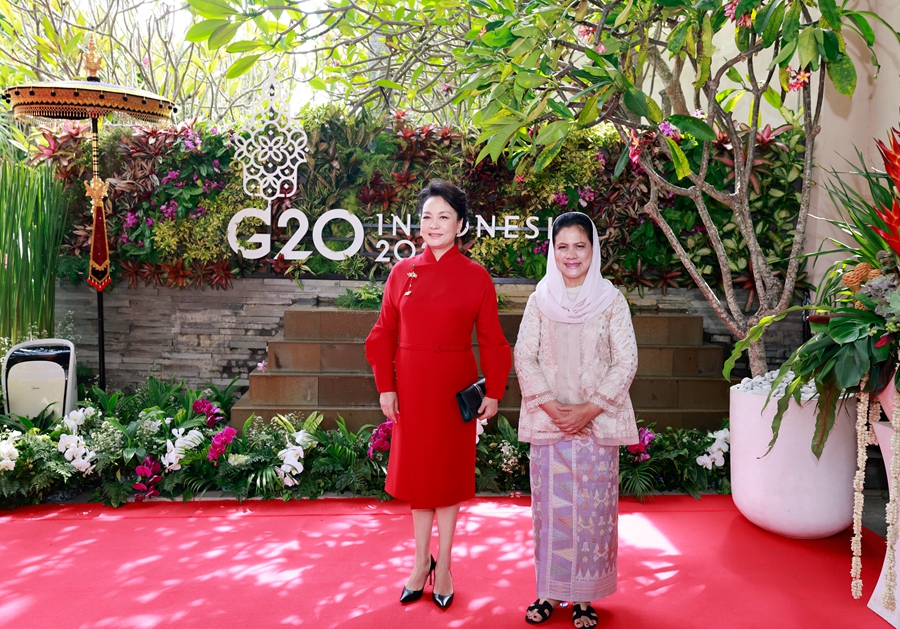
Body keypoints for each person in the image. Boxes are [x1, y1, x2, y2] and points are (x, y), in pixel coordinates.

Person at [365, 179, 512, 610]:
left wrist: (495, 390)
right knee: (419, 476)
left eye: (444, 216)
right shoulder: (402, 273)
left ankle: (444, 564)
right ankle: (420, 561)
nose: (434, 224)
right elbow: (383, 333)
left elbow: (493, 339)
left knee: (447, 476)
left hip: (454, 388)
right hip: (411, 387)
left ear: (460, 224)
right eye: (427, 216)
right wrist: (386, 385)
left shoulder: (476, 276)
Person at [514, 212, 639, 628]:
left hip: (596, 425)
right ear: (552, 250)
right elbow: (524, 357)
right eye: (563, 246)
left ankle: (585, 597)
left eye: (580, 246)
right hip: (549, 424)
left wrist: (590, 409)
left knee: (591, 514)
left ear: (593, 250)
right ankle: (549, 591)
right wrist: (553, 408)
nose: (571, 255)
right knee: (551, 513)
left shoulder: (611, 300)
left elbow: (626, 361)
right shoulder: (539, 300)